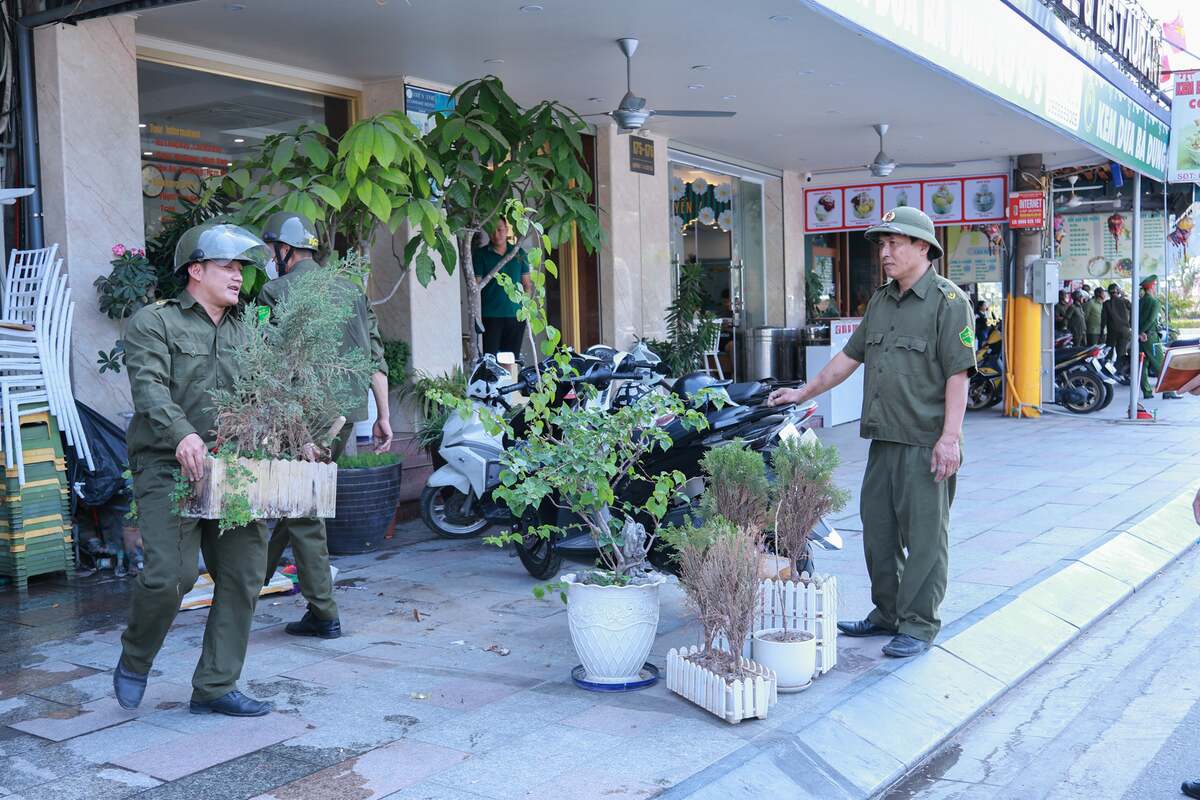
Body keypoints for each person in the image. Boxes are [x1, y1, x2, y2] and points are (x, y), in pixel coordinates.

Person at [768, 207, 974, 659]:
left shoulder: (948, 302)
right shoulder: (881, 302)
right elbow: (848, 358)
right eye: (882, 244)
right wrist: (803, 392)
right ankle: (888, 612)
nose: (885, 253)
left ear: (923, 247)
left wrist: (949, 439)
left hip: (926, 442)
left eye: (894, 243)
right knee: (878, 532)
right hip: (884, 439)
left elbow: (958, 376)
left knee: (925, 539)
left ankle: (918, 624)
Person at [114, 224, 275, 717]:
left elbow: (266, 395)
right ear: (196, 270)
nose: (238, 276)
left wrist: (299, 436)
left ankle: (215, 685)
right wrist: (182, 434)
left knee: (244, 573)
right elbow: (149, 388)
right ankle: (135, 657)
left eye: (241, 268)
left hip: (233, 470)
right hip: (168, 464)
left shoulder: (249, 327)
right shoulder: (154, 322)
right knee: (171, 577)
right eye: (227, 266)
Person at [257, 212, 393, 639]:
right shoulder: (351, 290)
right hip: (344, 417)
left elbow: (259, 356)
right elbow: (373, 357)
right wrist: (384, 415)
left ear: (285, 250)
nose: (269, 258)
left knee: (302, 509)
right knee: (296, 500)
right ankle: (251, 580)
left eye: (271, 250)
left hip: (300, 417)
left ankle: (323, 612)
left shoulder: (273, 292)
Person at [474, 217, 533, 356]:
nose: (496, 234)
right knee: (490, 360)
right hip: (490, 315)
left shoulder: (519, 253)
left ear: (506, 230)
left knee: (511, 359)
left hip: (516, 316)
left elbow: (527, 285)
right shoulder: (480, 255)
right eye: (492, 231)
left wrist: (525, 310)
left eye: (500, 230)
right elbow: (475, 288)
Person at [1101, 282, 1132, 374]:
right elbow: (1134, 312)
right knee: (1121, 353)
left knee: (1108, 352)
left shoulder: (1106, 304)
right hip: (1125, 331)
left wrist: (1101, 331)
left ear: (1109, 293)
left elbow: (1104, 319)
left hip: (1112, 332)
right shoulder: (1125, 302)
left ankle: (1107, 371)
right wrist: (1130, 325)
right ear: (1118, 291)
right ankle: (1119, 372)